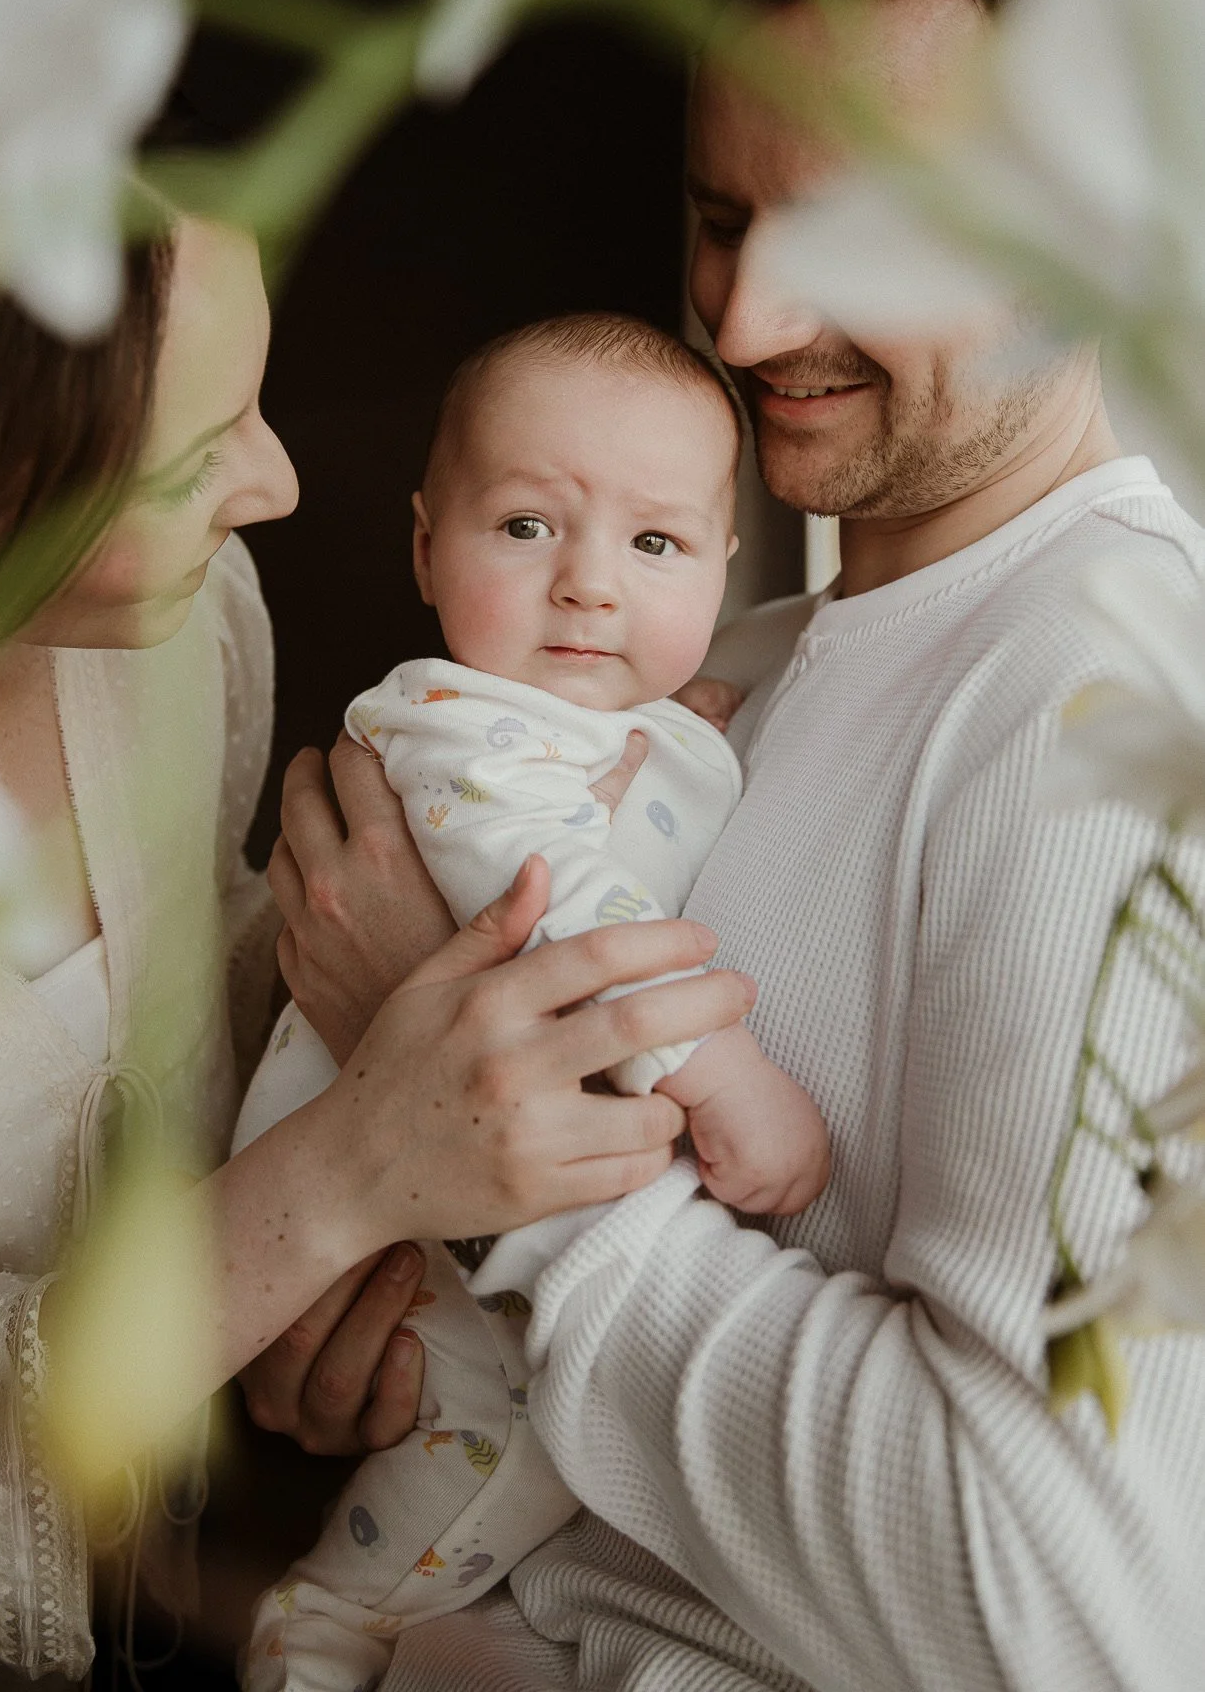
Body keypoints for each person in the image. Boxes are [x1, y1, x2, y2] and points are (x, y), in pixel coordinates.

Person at [266, 0, 1205, 1691]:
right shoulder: (725, 672)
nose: (749, 320)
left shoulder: (1117, 727)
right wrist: (375, 1256)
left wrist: (496, 1112)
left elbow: (1069, 1619)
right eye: (719, 216)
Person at [0, 217, 748, 1684]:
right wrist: (329, 1187)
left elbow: (212, 1018)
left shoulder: (182, 629)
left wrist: (307, 1300)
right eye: (194, 452)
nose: (277, 482)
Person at [241, 312, 829, 1691]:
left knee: (540, 1477)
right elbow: (558, 896)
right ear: (423, 545)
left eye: (653, 546)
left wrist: (698, 727)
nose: (587, 589)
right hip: (408, 1227)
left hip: (489, 1204)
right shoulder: (443, 721)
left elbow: (646, 780)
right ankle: (319, 1629)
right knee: (490, 1460)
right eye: (524, 528)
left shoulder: (650, 719)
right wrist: (721, 1068)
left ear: (722, 565)